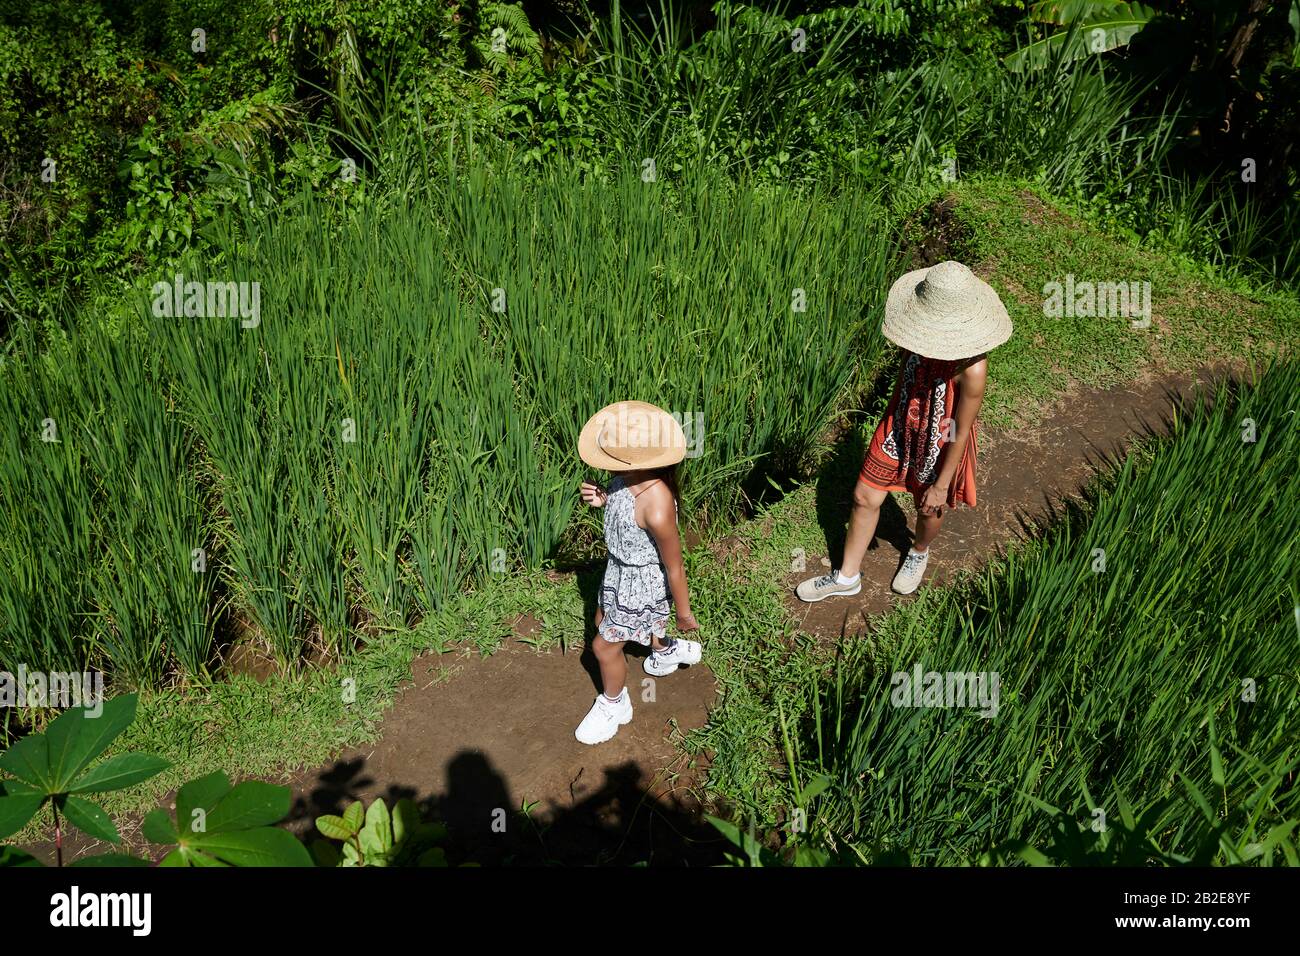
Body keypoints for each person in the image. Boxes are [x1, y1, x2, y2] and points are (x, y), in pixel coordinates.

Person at [797, 260, 1012, 600]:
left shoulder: (972, 369)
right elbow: (904, 381)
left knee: (929, 507)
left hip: (942, 442)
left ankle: (918, 551)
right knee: (863, 496)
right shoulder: (914, 335)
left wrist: (942, 484)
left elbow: (961, 426)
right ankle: (847, 577)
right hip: (899, 425)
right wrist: (897, 419)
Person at [574, 401, 702, 745]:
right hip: (617, 573)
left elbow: (674, 565)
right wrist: (602, 498)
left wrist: (685, 613)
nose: (612, 463)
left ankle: (615, 704)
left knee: (603, 647)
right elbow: (622, 507)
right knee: (606, 623)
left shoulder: (657, 505)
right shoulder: (625, 477)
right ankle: (664, 652)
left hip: (640, 583)